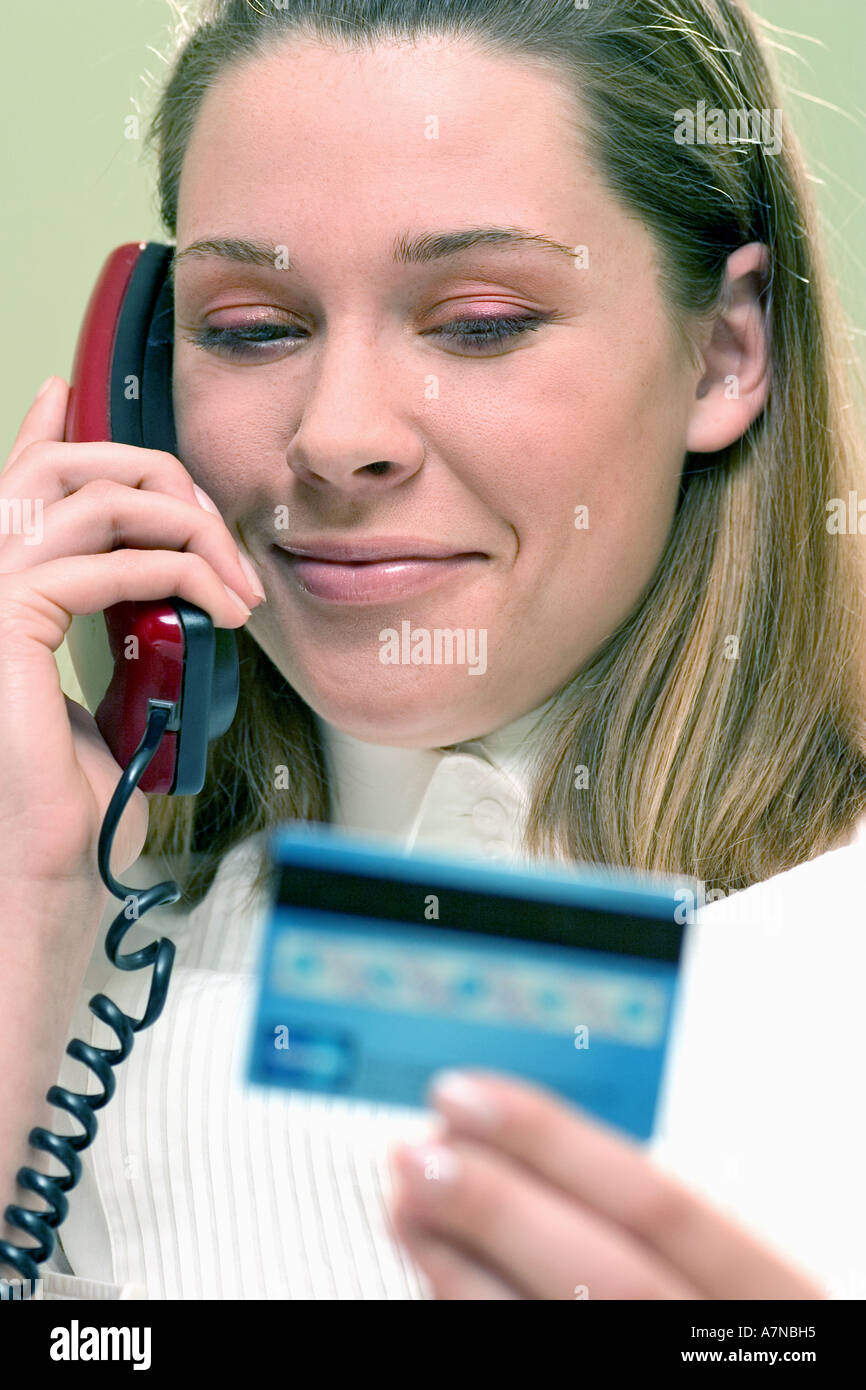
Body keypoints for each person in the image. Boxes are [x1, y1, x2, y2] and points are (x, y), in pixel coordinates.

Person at [2, 0, 865, 1300]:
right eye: (250, 329)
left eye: (476, 321)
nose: (339, 434)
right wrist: (33, 914)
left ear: (723, 351)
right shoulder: (84, 980)